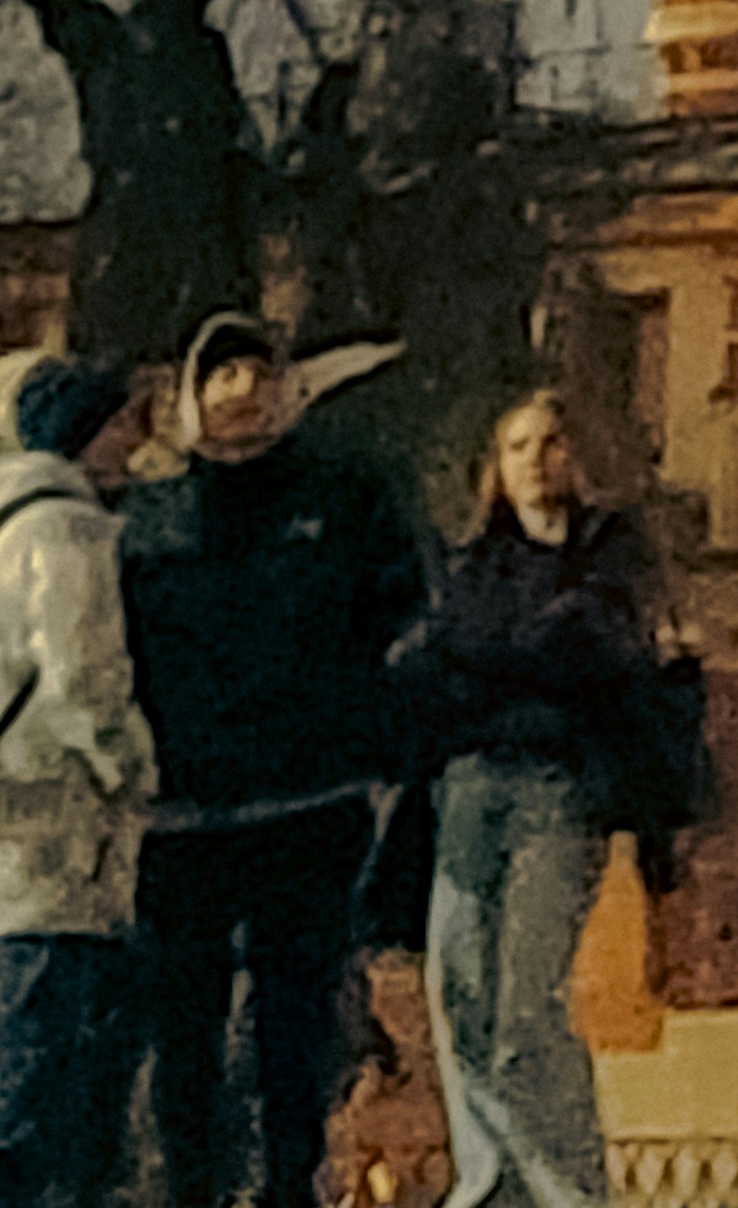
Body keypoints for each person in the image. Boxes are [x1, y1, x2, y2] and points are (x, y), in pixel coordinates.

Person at [121, 309, 428, 1208]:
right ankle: (191, 1187)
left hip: (309, 798)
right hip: (183, 813)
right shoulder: (148, 515)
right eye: (223, 374)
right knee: (185, 1022)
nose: (244, 391)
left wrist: (368, 738)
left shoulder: (344, 493)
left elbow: (396, 613)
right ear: (192, 393)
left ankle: (290, 1183)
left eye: (259, 372)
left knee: (295, 1019)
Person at [402, 394, 689, 1208]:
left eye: (551, 440)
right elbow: (441, 656)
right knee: (460, 992)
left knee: (529, 1006)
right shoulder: (469, 561)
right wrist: (529, 651)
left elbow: (592, 644)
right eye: (518, 443)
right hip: (468, 787)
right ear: (496, 464)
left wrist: (496, 656)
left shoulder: (612, 555)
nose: (535, 457)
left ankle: (566, 1189)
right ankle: (488, 1179)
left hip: (560, 791)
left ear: (577, 454)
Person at [0, 359, 155, 1208]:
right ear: (89, 432)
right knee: (40, 1066)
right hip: (51, 843)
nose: (137, 442)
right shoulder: (66, 529)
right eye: (125, 424)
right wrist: (130, 769)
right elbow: (83, 683)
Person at [9, 0, 255, 389]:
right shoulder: (111, 43)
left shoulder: (204, 52)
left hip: (197, 216)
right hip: (136, 212)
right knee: (116, 350)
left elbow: (225, 136)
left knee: (201, 349)